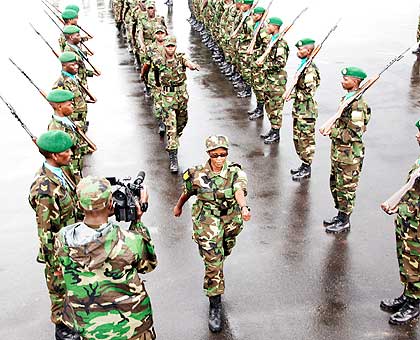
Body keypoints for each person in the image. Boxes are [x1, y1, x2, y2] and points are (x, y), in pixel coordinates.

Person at [55, 176, 158, 339]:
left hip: (90, 328)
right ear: (111, 204)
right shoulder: (130, 241)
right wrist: (137, 222)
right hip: (132, 327)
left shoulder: (63, 239)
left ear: (79, 205)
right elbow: (148, 265)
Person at [173, 135, 251, 332]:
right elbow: (187, 192)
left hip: (230, 220)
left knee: (224, 250)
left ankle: (215, 256)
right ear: (208, 154)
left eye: (223, 154)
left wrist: (243, 208)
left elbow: (238, 190)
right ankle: (215, 303)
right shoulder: (197, 174)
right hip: (207, 220)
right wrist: (178, 206)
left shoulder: (235, 173)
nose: (219, 158)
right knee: (213, 261)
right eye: (215, 154)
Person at [28, 130, 82, 340]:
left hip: (73, 246)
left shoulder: (64, 170)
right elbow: (46, 232)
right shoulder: (45, 190)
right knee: (62, 307)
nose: (70, 153)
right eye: (66, 151)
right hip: (60, 255)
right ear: (53, 155)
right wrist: (57, 266)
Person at [380, 120, 420, 325]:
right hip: (408, 218)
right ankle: (408, 294)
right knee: (405, 258)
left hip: (417, 224)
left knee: (415, 261)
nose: (417, 135)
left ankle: (414, 303)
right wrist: (400, 204)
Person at [322, 67, 371, 234]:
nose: (343, 82)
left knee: (346, 188)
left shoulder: (358, 105)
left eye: (346, 79)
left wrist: (332, 131)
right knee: (336, 185)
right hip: (339, 152)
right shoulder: (348, 98)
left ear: (356, 82)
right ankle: (340, 214)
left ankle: (345, 221)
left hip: (349, 155)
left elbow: (355, 132)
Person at [153, 35, 199, 172]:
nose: (170, 49)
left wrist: (192, 65)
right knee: (172, 128)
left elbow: (187, 62)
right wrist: (157, 85)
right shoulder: (159, 60)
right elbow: (155, 71)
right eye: (168, 46)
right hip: (167, 98)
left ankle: (173, 138)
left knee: (182, 122)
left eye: (172, 46)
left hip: (181, 97)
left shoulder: (180, 57)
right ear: (164, 47)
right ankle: (173, 157)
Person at [287, 38, 320, 181]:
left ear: (308, 51)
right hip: (299, 109)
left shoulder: (310, 70)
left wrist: (291, 93)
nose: (298, 52)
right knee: (298, 138)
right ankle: (303, 163)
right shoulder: (303, 65)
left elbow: (309, 92)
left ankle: (307, 167)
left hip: (306, 110)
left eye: (301, 49)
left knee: (306, 139)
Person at [257, 16, 289, 144]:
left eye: (269, 26)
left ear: (275, 27)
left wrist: (264, 65)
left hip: (277, 80)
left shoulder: (280, 44)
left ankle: (276, 133)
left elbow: (280, 63)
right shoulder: (272, 40)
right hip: (269, 78)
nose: (267, 27)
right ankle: (273, 129)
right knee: (269, 105)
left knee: (276, 106)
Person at [46, 89, 89, 180]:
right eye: (69, 105)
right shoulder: (56, 130)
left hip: (76, 166)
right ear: (60, 107)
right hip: (71, 172)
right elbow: (60, 160)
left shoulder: (66, 119)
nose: (73, 106)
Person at [53, 51, 89, 131]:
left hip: (81, 120)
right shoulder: (61, 83)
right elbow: (60, 107)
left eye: (76, 64)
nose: (76, 66)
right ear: (64, 66)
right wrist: (70, 123)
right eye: (73, 65)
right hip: (73, 123)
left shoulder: (75, 78)